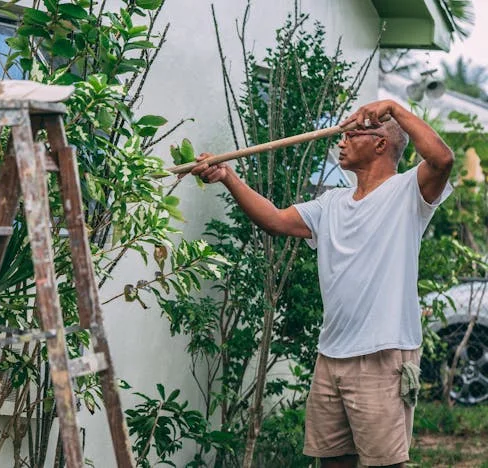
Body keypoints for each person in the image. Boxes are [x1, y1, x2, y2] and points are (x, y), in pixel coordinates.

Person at [190, 99, 454, 468]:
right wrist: (228, 177)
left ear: (380, 143)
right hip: (331, 356)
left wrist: (393, 109)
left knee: (385, 464)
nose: (341, 142)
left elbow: (442, 160)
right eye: (342, 136)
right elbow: (277, 220)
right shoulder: (331, 203)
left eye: (352, 134)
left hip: (382, 354)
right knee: (331, 461)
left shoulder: (409, 193)